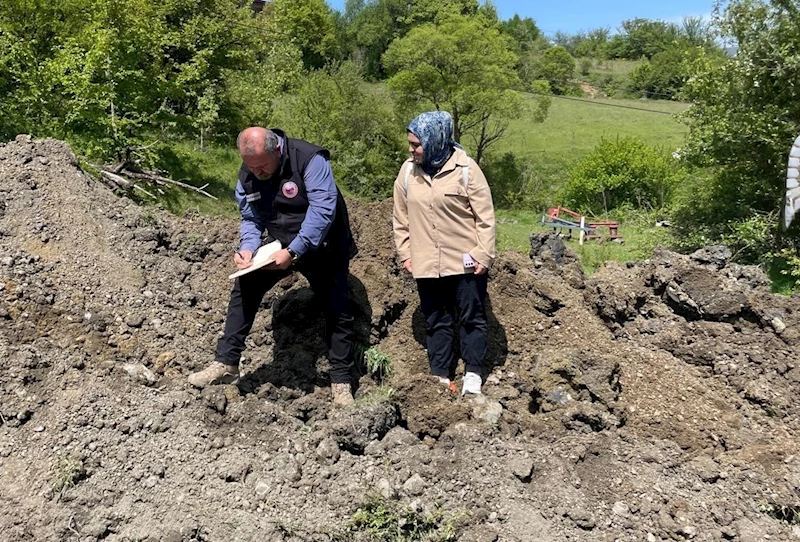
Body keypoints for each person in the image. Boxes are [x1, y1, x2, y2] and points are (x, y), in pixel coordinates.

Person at [188, 127, 358, 406]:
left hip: (324, 243)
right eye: (250, 166)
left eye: (262, 166)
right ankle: (227, 363)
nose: (256, 173)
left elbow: (323, 210)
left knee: (337, 307)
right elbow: (251, 217)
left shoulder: (309, 159)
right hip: (280, 243)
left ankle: (341, 381)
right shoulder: (248, 173)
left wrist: (295, 250)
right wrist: (247, 248)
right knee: (245, 287)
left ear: (277, 150)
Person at [392, 111, 496, 396]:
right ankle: (439, 375)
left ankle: (473, 373)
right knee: (436, 320)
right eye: (410, 144)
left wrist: (483, 254)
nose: (411, 150)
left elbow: (485, 217)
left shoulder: (466, 169)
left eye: (416, 145)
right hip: (426, 261)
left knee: (471, 317)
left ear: (435, 141)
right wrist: (405, 253)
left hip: (465, 260)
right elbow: (400, 218)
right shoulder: (407, 173)